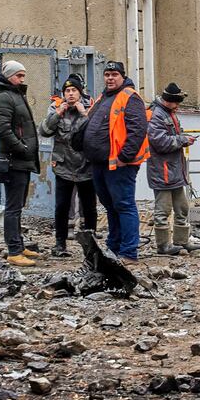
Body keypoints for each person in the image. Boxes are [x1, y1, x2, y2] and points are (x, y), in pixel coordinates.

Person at [82, 61, 149, 265]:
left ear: (122, 76)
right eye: (107, 74)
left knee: (123, 205)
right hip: (100, 162)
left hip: (119, 165)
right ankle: (113, 247)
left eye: (114, 75)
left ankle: (129, 252)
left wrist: (124, 158)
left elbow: (138, 130)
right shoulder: (104, 97)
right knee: (111, 206)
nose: (110, 78)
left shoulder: (130, 98)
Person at [0, 60, 41, 267]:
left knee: (17, 205)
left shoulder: (15, 94)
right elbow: (2, 130)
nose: (22, 79)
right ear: (9, 76)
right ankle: (14, 251)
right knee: (12, 207)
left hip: (21, 160)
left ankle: (19, 244)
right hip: (13, 160)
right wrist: (22, 148)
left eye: (23, 75)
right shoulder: (4, 97)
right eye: (18, 75)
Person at [39, 75, 97, 257]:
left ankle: (91, 247)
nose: (70, 94)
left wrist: (84, 114)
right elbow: (44, 131)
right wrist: (57, 114)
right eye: (67, 91)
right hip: (64, 166)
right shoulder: (56, 108)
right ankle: (60, 244)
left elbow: (96, 132)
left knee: (89, 208)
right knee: (62, 206)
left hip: (86, 166)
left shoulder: (90, 108)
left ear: (80, 93)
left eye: (74, 91)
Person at [146, 83, 200, 255]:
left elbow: (170, 135)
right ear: (169, 101)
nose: (178, 106)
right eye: (177, 102)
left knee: (182, 207)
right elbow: (160, 142)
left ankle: (181, 241)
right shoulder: (156, 115)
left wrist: (182, 136)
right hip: (162, 170)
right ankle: (163, 245)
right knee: (163, 210)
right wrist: (183, 140)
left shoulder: (168, 114)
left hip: (174, 170)